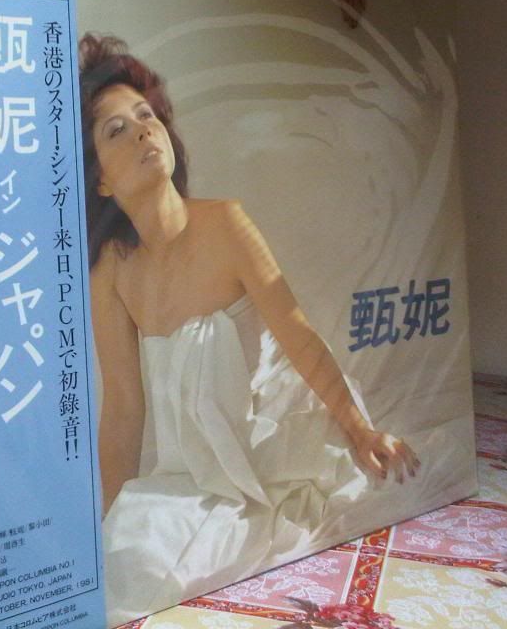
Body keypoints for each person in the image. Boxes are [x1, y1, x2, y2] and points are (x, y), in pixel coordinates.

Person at [79, 34, 419, 624]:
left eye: (147, 115)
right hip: (200, 466)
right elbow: (124, 410)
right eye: (116, 130)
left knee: (374, 491)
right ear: (101, 181)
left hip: (286, 438)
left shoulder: (226, 223)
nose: (143, 132)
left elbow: (297, 333)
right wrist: (105, 522)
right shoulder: (111, 268)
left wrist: (359, 429)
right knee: (128, 557)